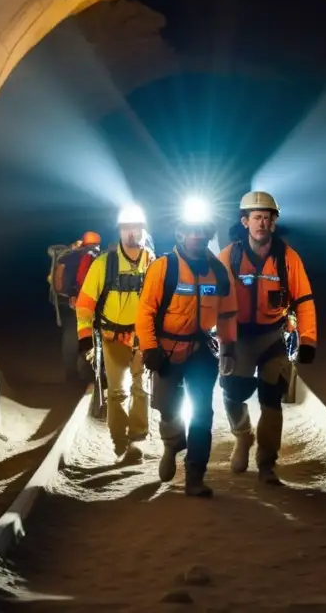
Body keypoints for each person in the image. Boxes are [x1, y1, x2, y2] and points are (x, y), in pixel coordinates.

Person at [136, 197, 238, 497]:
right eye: (192, 231)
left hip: (201, 351)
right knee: (166, 408)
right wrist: (150, 348)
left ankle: (195, 475)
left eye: (203, 231)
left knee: (202, 413)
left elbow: (228, 313)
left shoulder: (218, 271)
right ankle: (172, 443)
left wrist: (229, 347)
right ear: (180, 234)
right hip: (166, 349)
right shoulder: (163, 267)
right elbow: (145, 311)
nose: (198, 236)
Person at [218, 190, 317, 485]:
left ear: (274, 222)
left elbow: (305, 300)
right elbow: (216, 302)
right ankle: (242, 435)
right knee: (232, 392)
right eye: (256, 218)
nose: (262, 223)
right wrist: (223, 344)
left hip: (273, 336)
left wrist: (308, 340)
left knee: (271, 400)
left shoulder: (287, 258)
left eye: (267, 218)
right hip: (239, 337)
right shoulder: (230, 257)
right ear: (245, 222)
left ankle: (266, 464)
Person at [74, 205, 155, 461]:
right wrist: (85, 338)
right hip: (112, 338)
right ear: (120, 231)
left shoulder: (151, 262)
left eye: (137, 227)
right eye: (128, 227)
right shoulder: (103, 264)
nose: (133, 232)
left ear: (144, 229)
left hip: (142, 337)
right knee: (118, 393)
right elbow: (85, 305)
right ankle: (120, 442)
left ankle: (137, 440)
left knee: (142, 390)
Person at [48, 231, 103, 383]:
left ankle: (70, 372)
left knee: (69, 335)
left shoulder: (67, 256)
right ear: (97, 243)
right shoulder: (92, 257)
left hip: (64, 301)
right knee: (85, 335)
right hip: (81, 301)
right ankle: (87, 373)